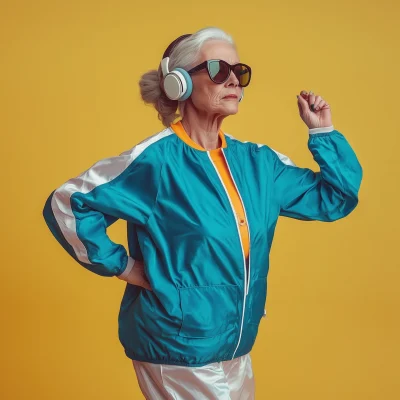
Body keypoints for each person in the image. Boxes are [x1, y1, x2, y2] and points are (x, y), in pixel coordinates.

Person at [42, 26, 363, 399]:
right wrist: (125, 267)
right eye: (217, 69)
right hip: (176, 346)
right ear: (180, 83)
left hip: (235, 344)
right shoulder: (156, 162)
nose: (233, 81)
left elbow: (336, 197)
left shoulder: (259, 164)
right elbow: (68, 203)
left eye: (239, 72)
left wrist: (323, 134)